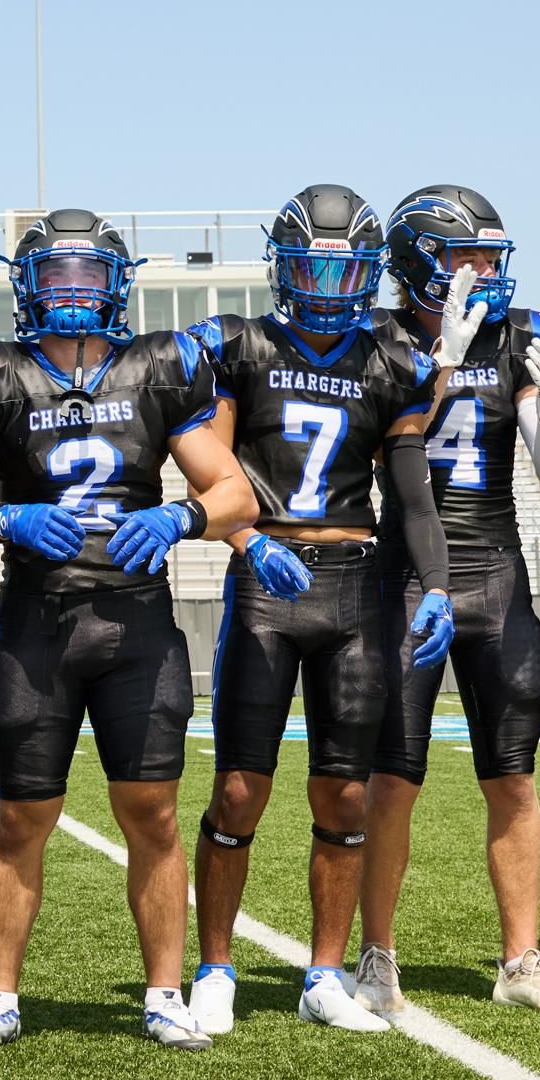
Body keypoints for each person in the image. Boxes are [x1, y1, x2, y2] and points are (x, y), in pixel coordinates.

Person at [0, 210, 256, 1055]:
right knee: (21, 817)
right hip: (36, 623)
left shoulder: (159, 366)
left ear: (118, 284)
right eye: (55, 275)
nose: (72, 292)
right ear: (25, 285)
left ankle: (164, 993)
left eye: (88, 275)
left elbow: (235, 494)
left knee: (153, 813)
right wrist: (3, 518)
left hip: (136, 622)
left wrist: (180, 515)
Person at [191, 185, 453, 1037]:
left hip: (352, 584)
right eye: (313, 268)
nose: (329, 287)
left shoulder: (391, 360)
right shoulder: (244, 347)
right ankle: (215, 967)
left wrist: (437, 580)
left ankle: (325, 974)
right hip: (267, 578)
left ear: (370, 273)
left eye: (345, 271)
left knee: (344, 792)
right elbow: (212, 469)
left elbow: (411, 491)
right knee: (240, 787)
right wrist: (244, 541)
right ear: (283, 268)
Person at [354, 186, 540, 1018]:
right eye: (466, 255)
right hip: (406, 575)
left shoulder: (516, 333)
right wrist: (442, 362)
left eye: (491, 255)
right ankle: (376, 956)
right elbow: (393, 437)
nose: (484, 270)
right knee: (394, 778)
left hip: (496, 568)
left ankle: (520, 959)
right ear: (419, 260)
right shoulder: (380, 338)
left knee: (513, 775)